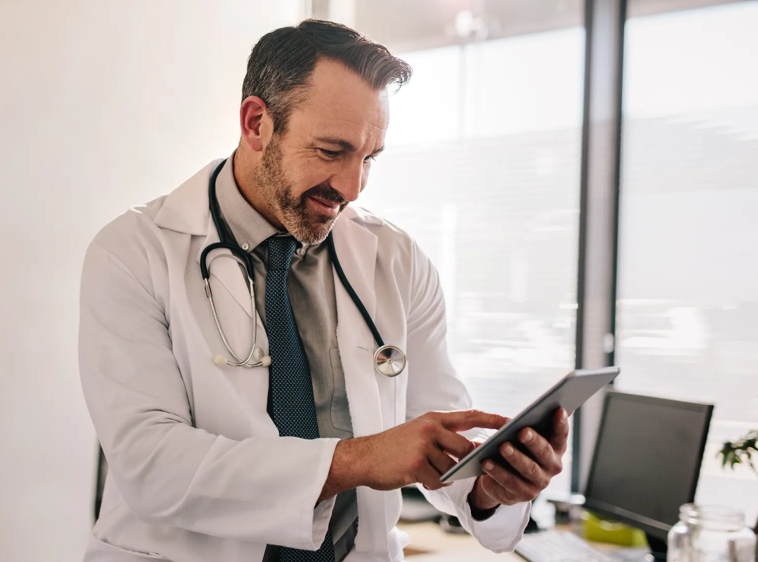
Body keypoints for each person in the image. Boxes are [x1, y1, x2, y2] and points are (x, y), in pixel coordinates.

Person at [79, 19, 568, 562]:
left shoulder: (396, 260)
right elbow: (152, 466)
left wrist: (488, 487)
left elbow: (440, 436)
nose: (352, 187)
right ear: (257, 122)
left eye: (369, 157)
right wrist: (357, 461)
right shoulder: (134, 252)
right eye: (332, 151)